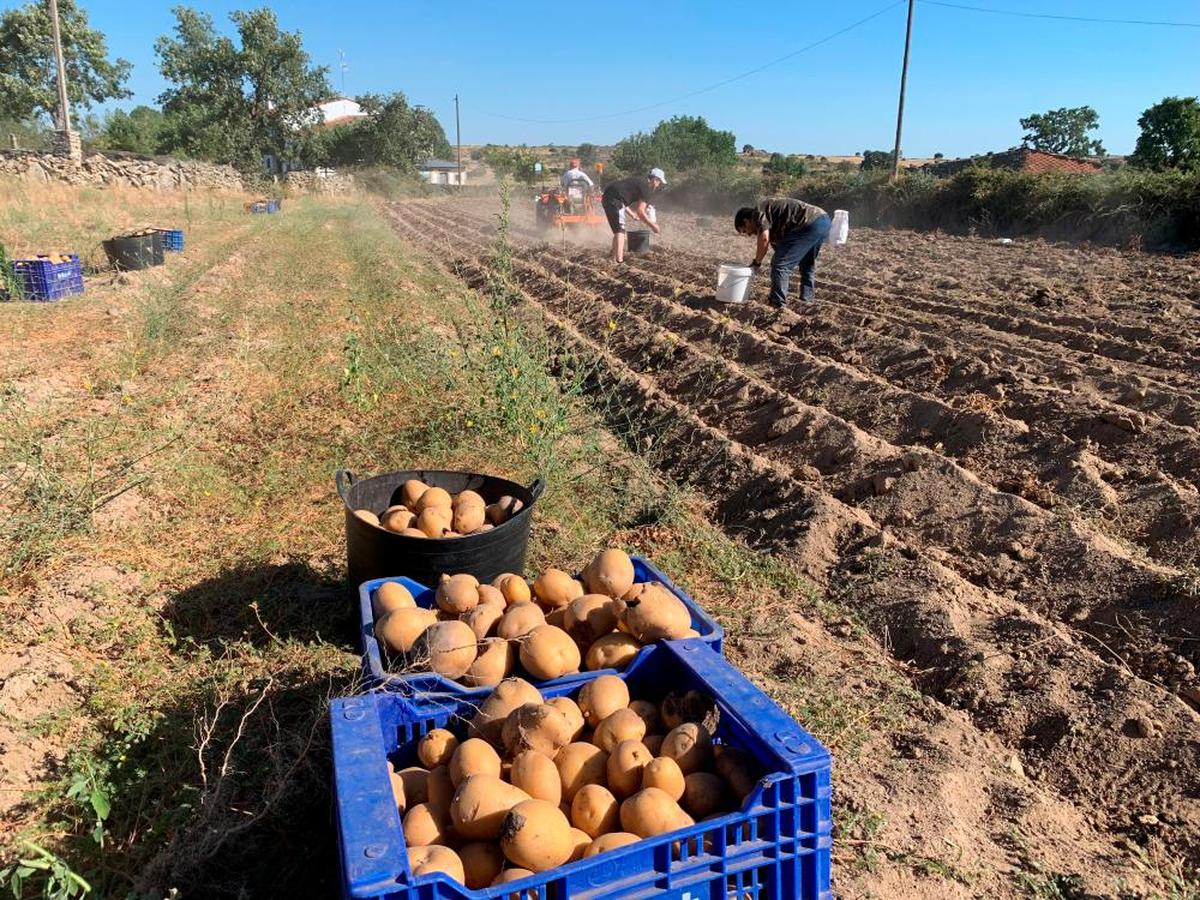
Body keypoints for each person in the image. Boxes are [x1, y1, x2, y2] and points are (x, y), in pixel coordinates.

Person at [734, 198, 831, 307]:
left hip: (808, 223)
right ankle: (807, 301)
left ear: (746, 220)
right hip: (823, 221)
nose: (749, 234)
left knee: (779, 264)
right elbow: (781, 248)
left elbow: (764, 240)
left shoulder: (758, 213)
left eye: (745, 230)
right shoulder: (773, 224)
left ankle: (777, 304)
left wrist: (757, 263)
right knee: (807, 264)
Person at [601, 168, 665, 263]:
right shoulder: (646, 189)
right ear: (655, 179)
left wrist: (632, 215)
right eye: (659, 182)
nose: (659, 185)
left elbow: (622, 198)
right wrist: (653, 226)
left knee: (618, 229)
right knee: (620, 230)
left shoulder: (638, 181)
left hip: (608, 197)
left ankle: (613, 257)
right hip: (613, 199)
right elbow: (641, 211)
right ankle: (619, 260)